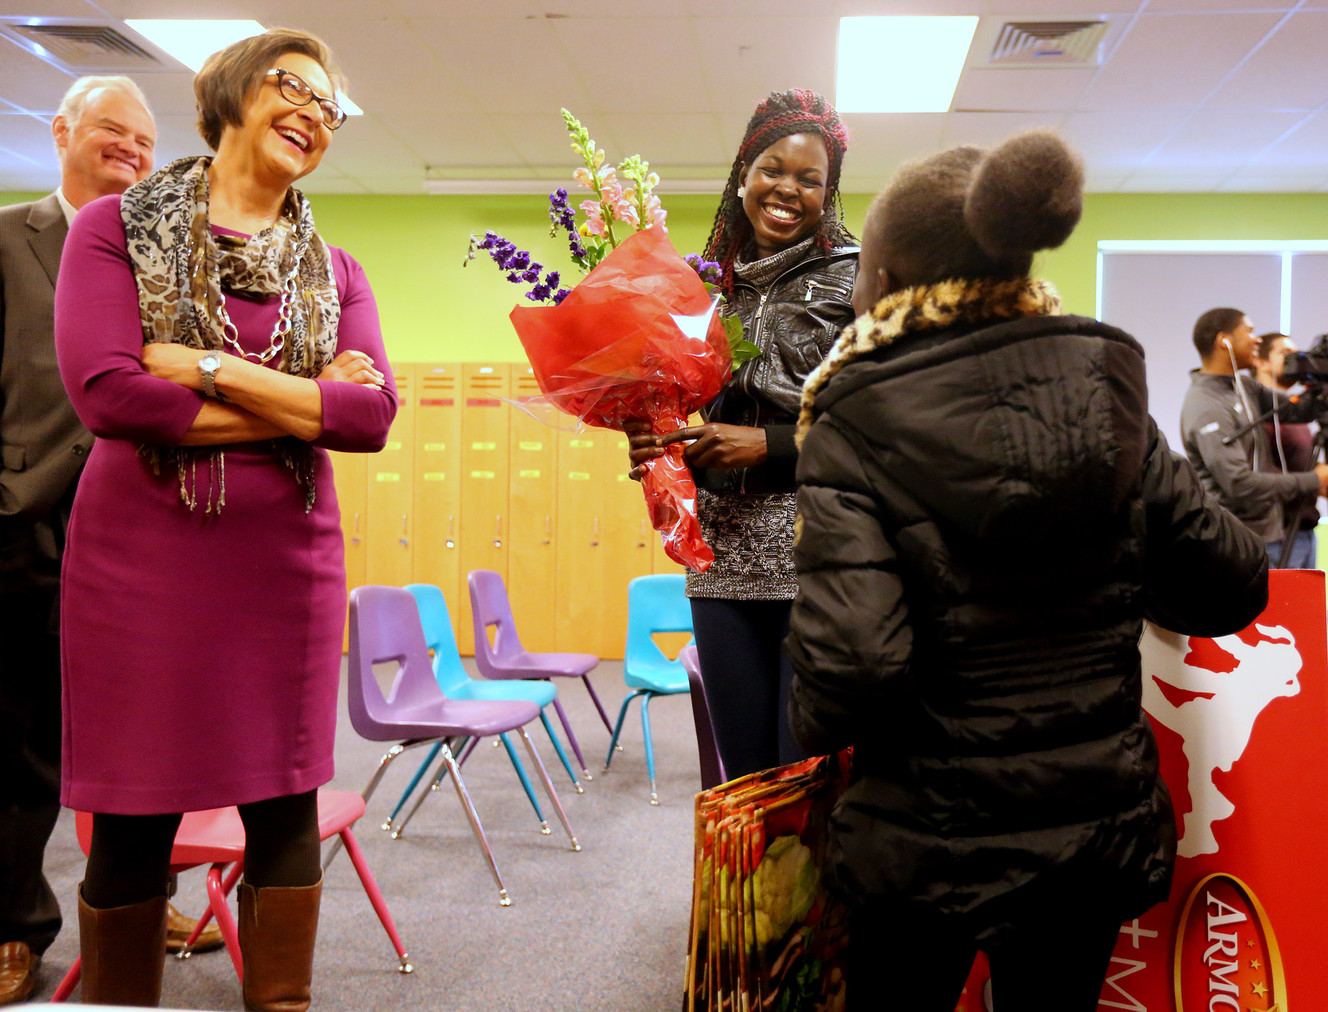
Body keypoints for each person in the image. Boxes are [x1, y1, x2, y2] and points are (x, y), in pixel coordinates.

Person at [786, 131, 1269, 1010]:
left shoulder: (852, 423)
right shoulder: (1108, 392)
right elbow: (1230, 584)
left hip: (923, 835)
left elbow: (852, 671)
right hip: (1091, 829)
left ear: (888, 284)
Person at [53, 29, 395, 1009]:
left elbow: (368, 417)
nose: (314, 113)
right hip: (140, 564)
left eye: (330, 107)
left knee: (284, 805)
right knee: (132, 816)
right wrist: (299, 399)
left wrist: (207, 365)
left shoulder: (334, 270)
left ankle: (278, 1001)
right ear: (233, 93)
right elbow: (112, 394)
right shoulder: (115, 229)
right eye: (295, 87)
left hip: (284, 563)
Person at [627, 89, 858, 779]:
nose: (788, 188)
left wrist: (774, 445)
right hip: (723, 556)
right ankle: (750, 893)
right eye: (772, 169)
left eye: (809, 178)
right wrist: (661, 444)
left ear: (829, 192)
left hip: (817, 556)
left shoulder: (858, 277)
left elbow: (887, 428)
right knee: (744, 776)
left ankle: (810, 894)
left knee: (808, 773)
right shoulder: (703, 287)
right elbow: (691, 408)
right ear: (743, 174)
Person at [0, 74, 156, 1006]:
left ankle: (135, 897)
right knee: (18, 748)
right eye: (112, 131)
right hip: (26, 531)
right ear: (61, 131)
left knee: (141, 741)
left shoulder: (158, 259)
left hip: (138, 539)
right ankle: (15, 928)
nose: (131, 152)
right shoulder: (6, 239)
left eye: (144, 141)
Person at [1181, 309, 1327, 568]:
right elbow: (1239, 483)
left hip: (1271, 533)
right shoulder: (1207, 406)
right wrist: (1316, 479)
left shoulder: (1243, 387)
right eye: (1249, 332)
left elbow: (1299, 410)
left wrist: (1320, 382)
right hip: (1240, 540)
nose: (1257, 340)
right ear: (1223, 341)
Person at [1252, 331, 1320, 568]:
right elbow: (1256, 477)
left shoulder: (1293, 413)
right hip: (1275, 537)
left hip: (1305, 530)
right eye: (1285, 353)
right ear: (1259, 361)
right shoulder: (1256, 415)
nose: (1294, 360)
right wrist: (1315, 479)